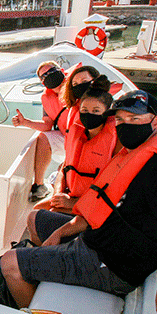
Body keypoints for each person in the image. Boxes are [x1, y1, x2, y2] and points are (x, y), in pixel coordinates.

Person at [0, 90, 157, 314]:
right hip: (95, 236)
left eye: (135, 119)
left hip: (110, 263)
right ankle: (41, 274)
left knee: (10, 263)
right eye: (120, 120)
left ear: (156, 122)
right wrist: (59, 232)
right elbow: (98, 207)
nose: (125, 125)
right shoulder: (131, 155)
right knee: (35, 219)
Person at [33, 75, 120, 216]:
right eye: (84, 110)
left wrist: (72, 203)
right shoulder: (77, 131)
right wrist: (58, 194)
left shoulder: (116, 140)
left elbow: (115, 187)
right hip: (72, 194)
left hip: (97, 204)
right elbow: (65, 167)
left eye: (96, 111)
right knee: (36, 209)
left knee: (47, 215)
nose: (89, 114)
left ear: (107, 112)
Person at [13, 61, 72, 201]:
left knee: (65, 177)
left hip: (84, 139)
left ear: (61, 70)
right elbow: (47, 125)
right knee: (43, 137)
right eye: (44, 75)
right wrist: (25, 122)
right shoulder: (47, 98)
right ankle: (39, 185)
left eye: (52, 71)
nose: (49, 75)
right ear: (43, 83)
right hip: (66, 138)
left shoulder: (76, 87)